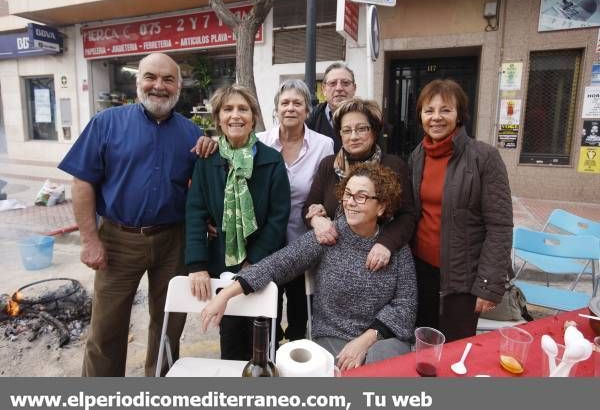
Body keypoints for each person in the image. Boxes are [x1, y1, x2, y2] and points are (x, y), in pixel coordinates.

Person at [58, 52, 203, 376]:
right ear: (138, 82)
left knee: (169, 322)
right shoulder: (106, 123)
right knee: (106, 328)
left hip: (172, 241)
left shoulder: (192, 134)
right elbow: (82, 182)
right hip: (117, 241)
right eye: (151, 77)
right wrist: (89, 239)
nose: (159, 86)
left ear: (179, 85)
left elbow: (201, 190)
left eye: (168, 79)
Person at [199, 164, 417, 371]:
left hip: (383, 338)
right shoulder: (328, 236)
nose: (350, 202)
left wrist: (366, 340)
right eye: (347, 194)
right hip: (333, 338)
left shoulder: (395, 247)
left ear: (381, 207)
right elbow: (278, 264)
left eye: (361, 196)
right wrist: (226, 294)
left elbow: (406, 305)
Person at [185, 84, 291, 361]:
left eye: (243, 109)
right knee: (231, 340)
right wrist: (197, 265)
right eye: (227, 109)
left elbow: (279, 216)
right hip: (223, 264)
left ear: (253, 118)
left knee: (264, 339)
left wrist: (253, 261)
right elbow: (195, 210)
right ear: (218, 118)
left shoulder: (271, 159)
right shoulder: (207, 160)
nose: (235, 115)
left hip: (264, 263)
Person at [409, 79, 513, 342]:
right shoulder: (417, 155)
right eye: (428, 110)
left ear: (459, 115)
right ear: (420, 114)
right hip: (422, 273)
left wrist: (489, 285)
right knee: (424, 346)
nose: (436, 117)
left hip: (463, 278)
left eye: (445, 110)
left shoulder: (484, 157)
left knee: (456, 350)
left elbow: (499, 226)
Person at [257, 79, 334, 343]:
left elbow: (327, 188)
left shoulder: (324, 145)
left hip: (306, 240)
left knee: (301, 309)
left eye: (297, 103)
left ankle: (297, 357)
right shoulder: (259, 142)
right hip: (267, 241)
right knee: (269, 306)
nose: (290, 108)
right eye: (285, 103)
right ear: (276, 109)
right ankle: (270, 357)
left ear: (307, 110)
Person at [303, 98, 415, 271]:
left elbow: (407, 216)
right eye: (346, 130)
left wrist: (386, 244)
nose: (353, 136)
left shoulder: (393, 166)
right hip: (334, 263)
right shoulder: (328, 165)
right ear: (340, 134)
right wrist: (316, 220)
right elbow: (308, 208)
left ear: (374, 131)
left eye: (361, 129)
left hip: (378, 261)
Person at [306, 62, 357, 153]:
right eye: (333, 83)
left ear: (354, 88)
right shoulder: (309, 121)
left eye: (345, 83)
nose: (339, 88)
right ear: (323, 90)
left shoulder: (370, 120)